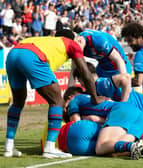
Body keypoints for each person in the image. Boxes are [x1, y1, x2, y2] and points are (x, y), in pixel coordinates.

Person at [4, 29, 104, 158]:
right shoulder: (72, 44)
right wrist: (95, 100)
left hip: (14, 53)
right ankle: (50, 147)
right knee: (57, 101)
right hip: (32, 55)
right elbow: (86, 75)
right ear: (72, 39)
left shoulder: (47, 40)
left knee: (17, 103)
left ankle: (8, 146)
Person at [73, 62, 143, 140]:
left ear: (83, 78)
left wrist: (123, 105)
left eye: (79, 80)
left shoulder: (100, 85)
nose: (80, 84)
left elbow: (125, 78)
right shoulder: (96, 91)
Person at [55, 29, 132, 87]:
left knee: (123, 98)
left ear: (76, 38)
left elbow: (119, 60)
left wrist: (123, 80)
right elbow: (73, 71)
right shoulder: (75, 46)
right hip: (102, 69)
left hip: (120, 67)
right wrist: (68, 97)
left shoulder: (97, 39)